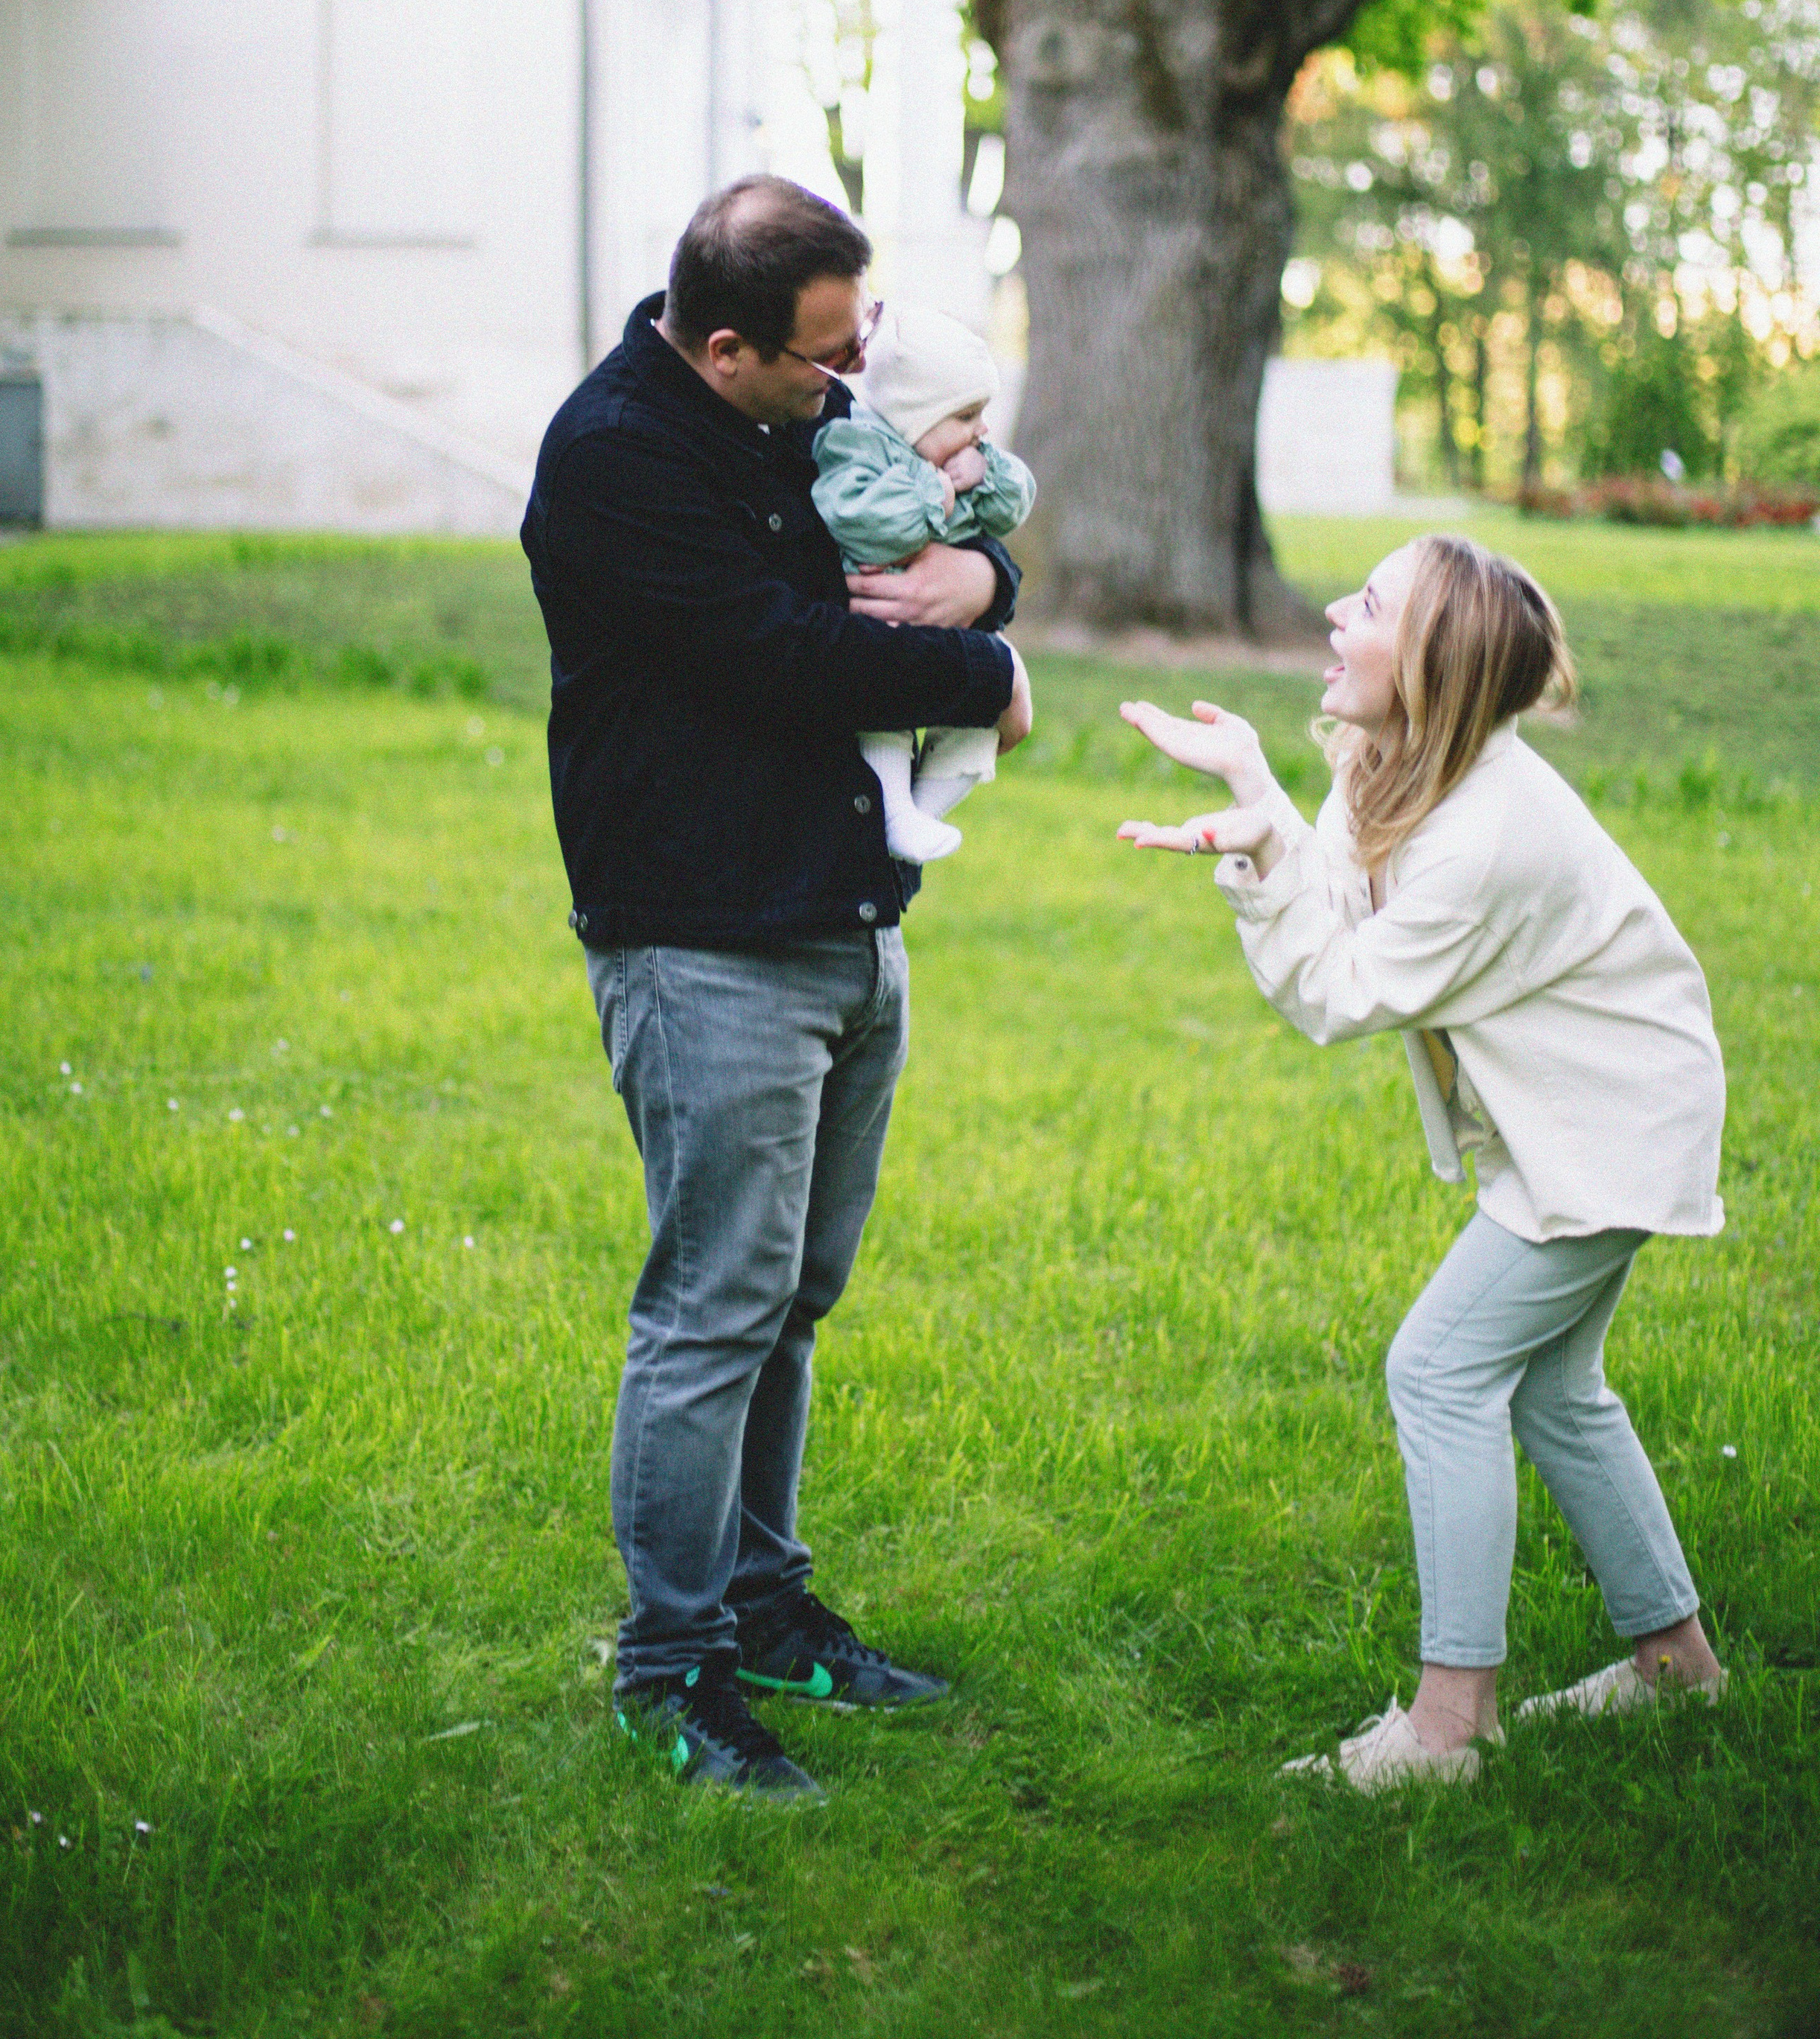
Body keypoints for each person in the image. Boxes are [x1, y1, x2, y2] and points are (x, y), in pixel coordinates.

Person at [520, 176, 1032, 1801]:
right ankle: (670, 1669)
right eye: (826, 359)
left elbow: (927, 535)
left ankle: (762, 1605)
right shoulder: (613, 460)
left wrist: (989, 593)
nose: (852, 376)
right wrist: (994, 670)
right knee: (710, 1312)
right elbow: (785, 655)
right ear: (725, 344)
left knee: (791, 1301)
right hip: (705, 937)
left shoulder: (790, 417)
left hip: (843, 915)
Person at [1118, 534, 1727, 1793]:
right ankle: (1678, 1665)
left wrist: (1258, 858)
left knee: (1439, 1370)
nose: (1337, 613)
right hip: (1580, 1114)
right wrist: (1258, 803)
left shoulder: (1485, 833)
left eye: (1371, 606)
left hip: (1611, 1124)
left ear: (1431, 662)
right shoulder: (1398, 763)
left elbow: (1339, 993)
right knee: (1555, 1390)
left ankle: (1452, 1726)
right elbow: (1336, 899)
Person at [812, 302, 1037, 862]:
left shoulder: (965, 455)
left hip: (952, 629)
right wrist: (929, 495)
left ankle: (920, 812)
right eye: (966, 416)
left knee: (978, 719)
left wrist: (990, 476)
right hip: (880, 623)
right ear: (914, 420)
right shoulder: (855, 445)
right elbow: (857, 516)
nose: (981, 429)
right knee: (886, 715)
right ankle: (894, 813)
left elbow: (1013, 507)